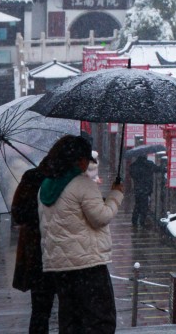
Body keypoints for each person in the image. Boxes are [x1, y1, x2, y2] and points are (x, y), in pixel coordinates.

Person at [38, 134, 124, 333]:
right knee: (100, 320)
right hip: (87, 264)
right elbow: (100, 217)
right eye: (86, 160)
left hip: (60, 266)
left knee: (71, 320)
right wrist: (116, 195)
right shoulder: (83, 184)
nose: (87, 164)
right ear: (78, 160)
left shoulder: (46, 186)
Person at [12, 150, 59, 334]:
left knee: (40, 311)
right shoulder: (61, 181)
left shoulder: (33, 177)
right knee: (63, 311)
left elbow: (18, 213)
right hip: (51, 252)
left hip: (37, 253)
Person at [128, 156, 162, 228]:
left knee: (137, 205)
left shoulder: (134, 165)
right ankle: (142, 222)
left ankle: (134, 220)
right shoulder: (148, 164)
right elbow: (157, 169)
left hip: (138, 189)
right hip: (146, 189)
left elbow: (132, 174)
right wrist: (165, 168)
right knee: (144, 206)